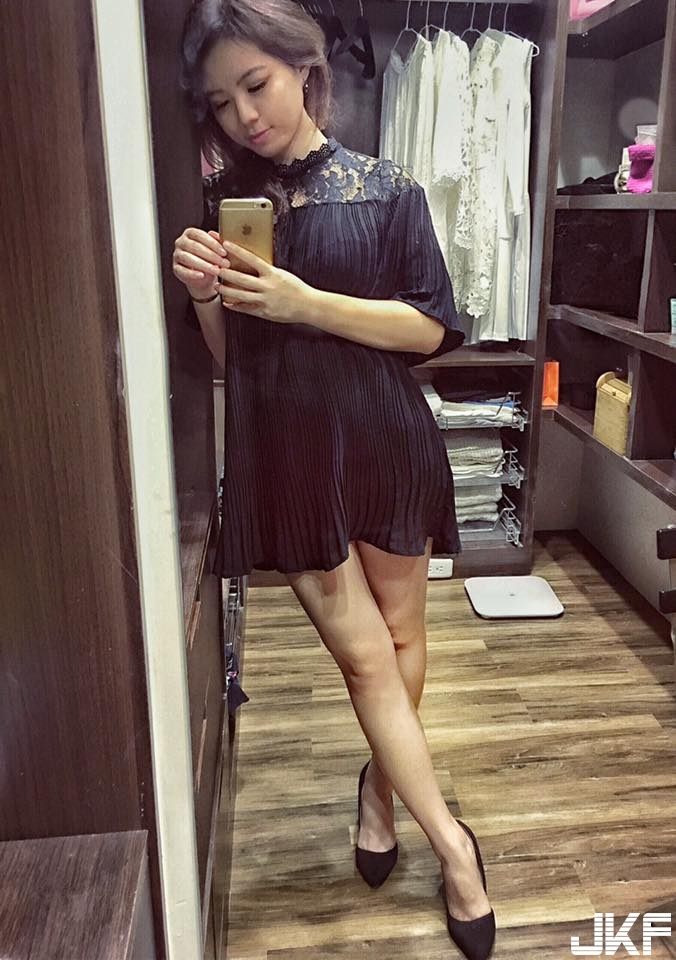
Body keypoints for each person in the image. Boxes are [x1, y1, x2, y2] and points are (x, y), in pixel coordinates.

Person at [174, 2, 495, 957]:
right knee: (363, 659)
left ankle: (379, 791)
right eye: (220, 102)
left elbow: (429, 327)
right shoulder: (222, 205)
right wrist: (206, 297)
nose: (244, 116)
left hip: (386, 438)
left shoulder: (389, 188)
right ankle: (456, 850)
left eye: (257, 86)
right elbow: (232, 362)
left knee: (401, 638)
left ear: (304, 69)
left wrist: (305, 302)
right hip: (286, 455)